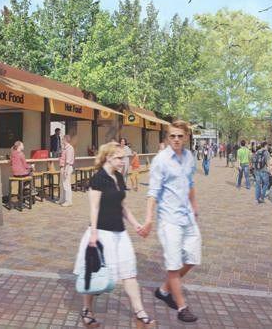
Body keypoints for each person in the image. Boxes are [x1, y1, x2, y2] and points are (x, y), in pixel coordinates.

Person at [73, 142, 154, 328]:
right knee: (94, 275)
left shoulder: (118, 176)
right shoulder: (98, 178)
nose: (123, 160)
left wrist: (136, 225)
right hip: (101, 233)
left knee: (129, 273)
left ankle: (139, 312)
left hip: (120, 233)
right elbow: (94, 208)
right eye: (119, 157)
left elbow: (122, 206)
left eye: (123, 157)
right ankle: (87, 310)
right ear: (108, 157)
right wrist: (93, 234)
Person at [141, 120, 200, 323]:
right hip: (169, 220)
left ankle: (164, 289)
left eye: (179, 136)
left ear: (186, 137)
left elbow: (190, 183)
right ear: (167, 137)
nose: (176, 139)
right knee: (173, 265)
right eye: (172, 136)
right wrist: (148, 219)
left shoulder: (189, 157)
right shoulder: (160, 160)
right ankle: (182, 306)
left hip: (188, 217)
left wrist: (195, 206)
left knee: (192, 258)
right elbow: (153, 192)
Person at [59, 134, 75, 207]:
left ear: (65, 140)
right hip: (63, 167)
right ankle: (62, 199)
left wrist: (66, 170)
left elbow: (68, 160)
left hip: (67, 168)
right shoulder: (64, 148)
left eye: (62, 139)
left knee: (66, 185)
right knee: (62, 185)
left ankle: (68, 201)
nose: (62, 140)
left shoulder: (69, 148)